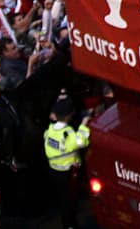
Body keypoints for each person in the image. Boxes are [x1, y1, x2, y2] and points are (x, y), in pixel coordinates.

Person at [44, 97, 90, 229]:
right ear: (69, 116)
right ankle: (69, 225)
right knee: (69, 201)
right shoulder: (67, 132)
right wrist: (84, 124)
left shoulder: (51, 129)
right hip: (67, 173)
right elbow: (81, 142)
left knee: (62, 198)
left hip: (53, 170)